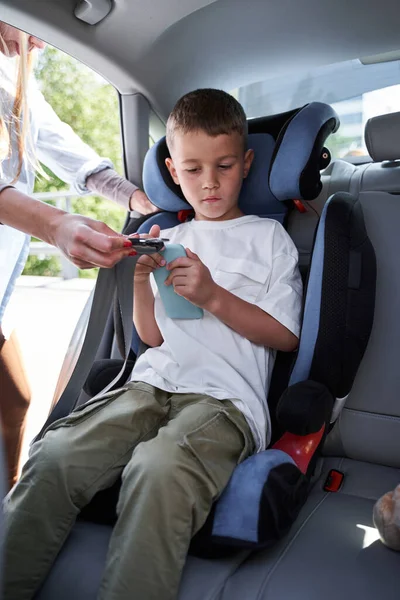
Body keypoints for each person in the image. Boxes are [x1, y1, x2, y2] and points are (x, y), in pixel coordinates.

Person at [4, 88, 303, 600]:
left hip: (224, 401)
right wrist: (143, 282)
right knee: (54, 454)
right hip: (152, 384)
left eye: (225, 166)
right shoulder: (166, 235)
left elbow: (285, 334)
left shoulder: (269, 237)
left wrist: (212, 294)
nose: (208, 182)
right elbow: (152, 338)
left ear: (248, 162)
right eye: (192, 170)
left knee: (158, 467)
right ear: (171, 169)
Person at [0, 22, 157, 488]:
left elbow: (62, 146)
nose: (41, 41)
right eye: (29, 22)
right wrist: (56, 224)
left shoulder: (16, 73)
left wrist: (138, 198)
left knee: (15, 402)